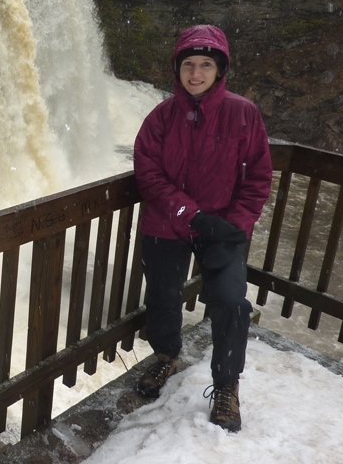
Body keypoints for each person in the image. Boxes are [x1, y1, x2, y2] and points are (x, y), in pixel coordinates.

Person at [132, 24, 272, 432]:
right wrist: (192, 216)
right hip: (168, 223)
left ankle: (227, 385)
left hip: (224, 228)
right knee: (162, 296)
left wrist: (234, 226)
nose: (196, 73)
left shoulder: (243, 114)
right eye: (188, 65)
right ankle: (165, 356)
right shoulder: (160, 118)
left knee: (230, 301)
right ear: (177, 69)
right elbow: (149, 175)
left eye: (205, 65)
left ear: (219, 69)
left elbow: (258, 178)